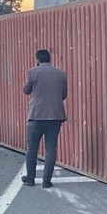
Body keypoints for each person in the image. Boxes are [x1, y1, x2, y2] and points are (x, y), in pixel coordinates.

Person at [22, 49, 68, 189]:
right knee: (51, 148)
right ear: (50, 59)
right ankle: (46, 181)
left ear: (37, 60)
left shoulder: (33, 72)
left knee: (32, 148)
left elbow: (26, 90)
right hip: (55, 116)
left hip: (36, 116)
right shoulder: (61, 74)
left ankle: (30, 179)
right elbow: (64, 94)